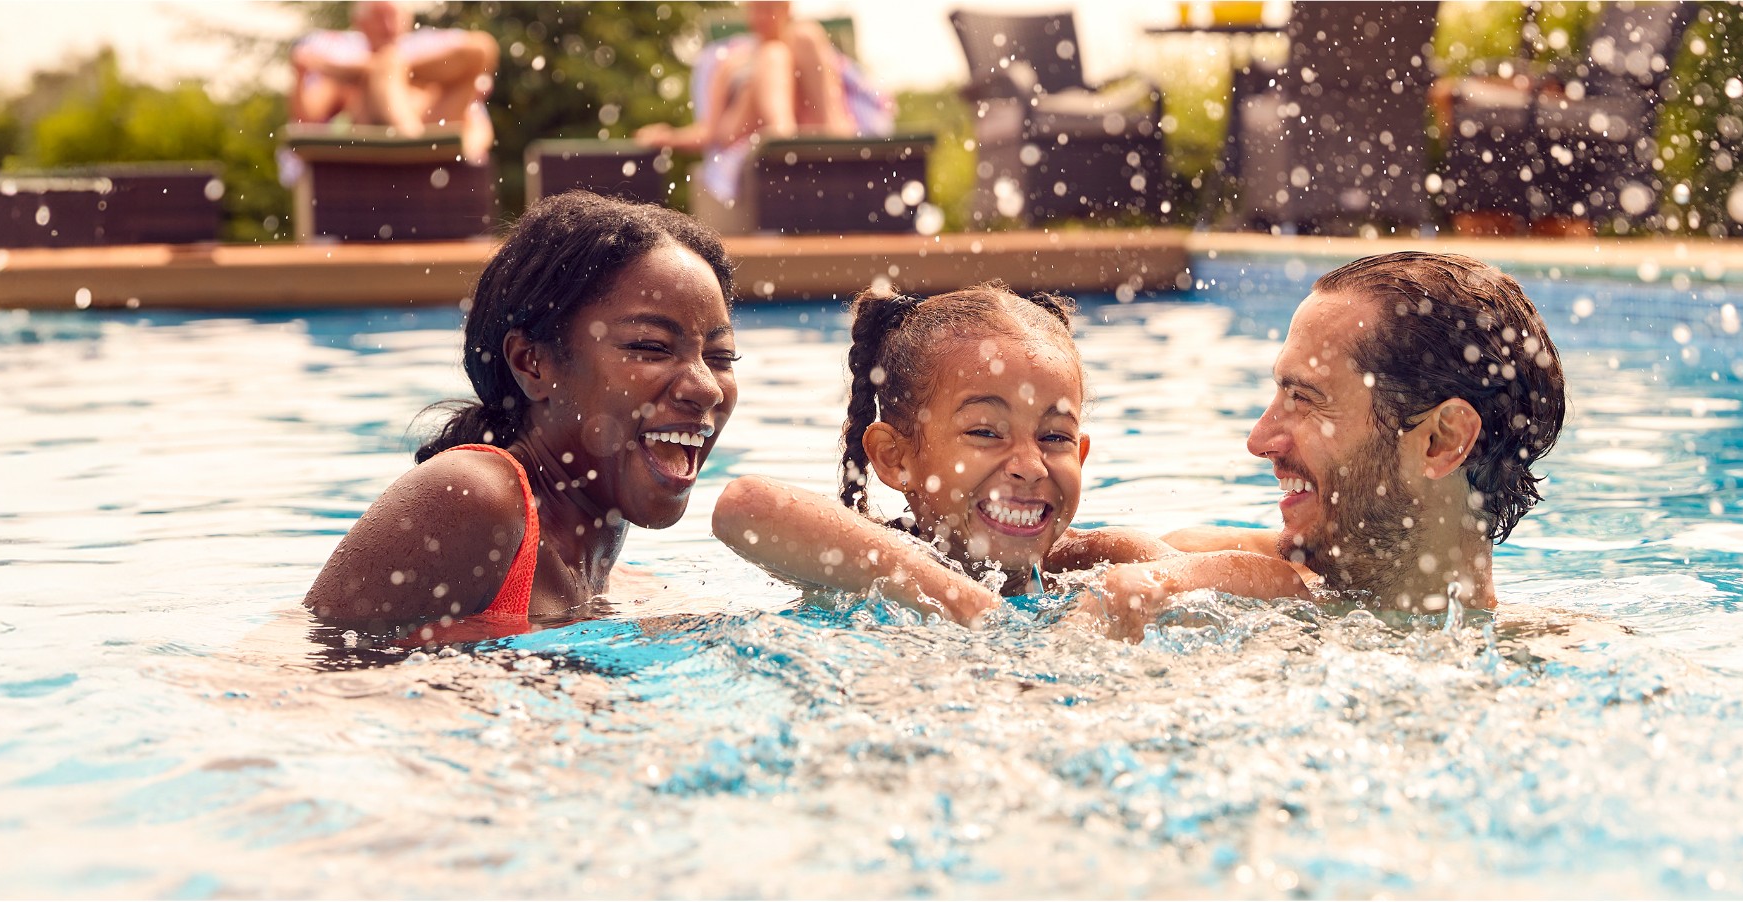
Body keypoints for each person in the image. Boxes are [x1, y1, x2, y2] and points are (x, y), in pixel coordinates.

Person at [712, 285, 1309, 624]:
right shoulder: (860, 557)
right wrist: (962, 600)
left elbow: (1285, 584)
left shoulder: (1088, 560)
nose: (1029, 465)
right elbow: (744, 505)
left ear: (1083, 452)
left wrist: (1156, 582)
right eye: (986, 432)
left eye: (1054, 438)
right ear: (896, 459)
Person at [303, 193, 738, 645]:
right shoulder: (475, 494)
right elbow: (300, 683)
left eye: (721, 356)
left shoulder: (623, 589)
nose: (706, 387)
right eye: (651, 347)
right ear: (533, 363)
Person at [1088, 251, 1571, 638]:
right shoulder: (1223, 581)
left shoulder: (1558, 661)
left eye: (1304, 399)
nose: (1259, 440)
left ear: (1440, 441)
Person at [632, 1, 891, 206]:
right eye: (755, 9)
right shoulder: (731, 60)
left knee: (804, 35)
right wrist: (668, 137)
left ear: (786, 8)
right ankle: (782, 135)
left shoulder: (805, 43)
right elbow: (710, 131)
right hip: (743, 128)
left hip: (813, 124)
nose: (760, 17)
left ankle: (828, 135)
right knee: (773, 55)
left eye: (768, 8)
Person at [287, 1, 498, 165]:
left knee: (482, 47)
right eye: (379, 18)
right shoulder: (345, 60)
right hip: (374, 136)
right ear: (359, 23)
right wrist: (300, 76)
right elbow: (307, 116)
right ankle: (411, 140)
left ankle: (414, 141)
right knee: (388, 63)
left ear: (407, 21)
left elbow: (478, 125)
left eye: (394, 17)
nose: (388, 26)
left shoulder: (425, 55)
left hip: (433, 131)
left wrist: (471, 151)